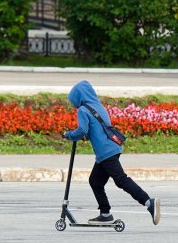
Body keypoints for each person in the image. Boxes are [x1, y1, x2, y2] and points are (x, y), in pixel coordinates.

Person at [63, 80, 161, 225]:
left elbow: (82, 130)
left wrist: (69, 135)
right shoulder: (98, 106)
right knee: (95, 181)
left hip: (105, 153)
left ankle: (148, 202)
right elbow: (97, 128)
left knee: (121, 180)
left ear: (79, 97)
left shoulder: (83, 110)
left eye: (73, 100)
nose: (73, 104)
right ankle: (105, 213)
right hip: (112, 148)